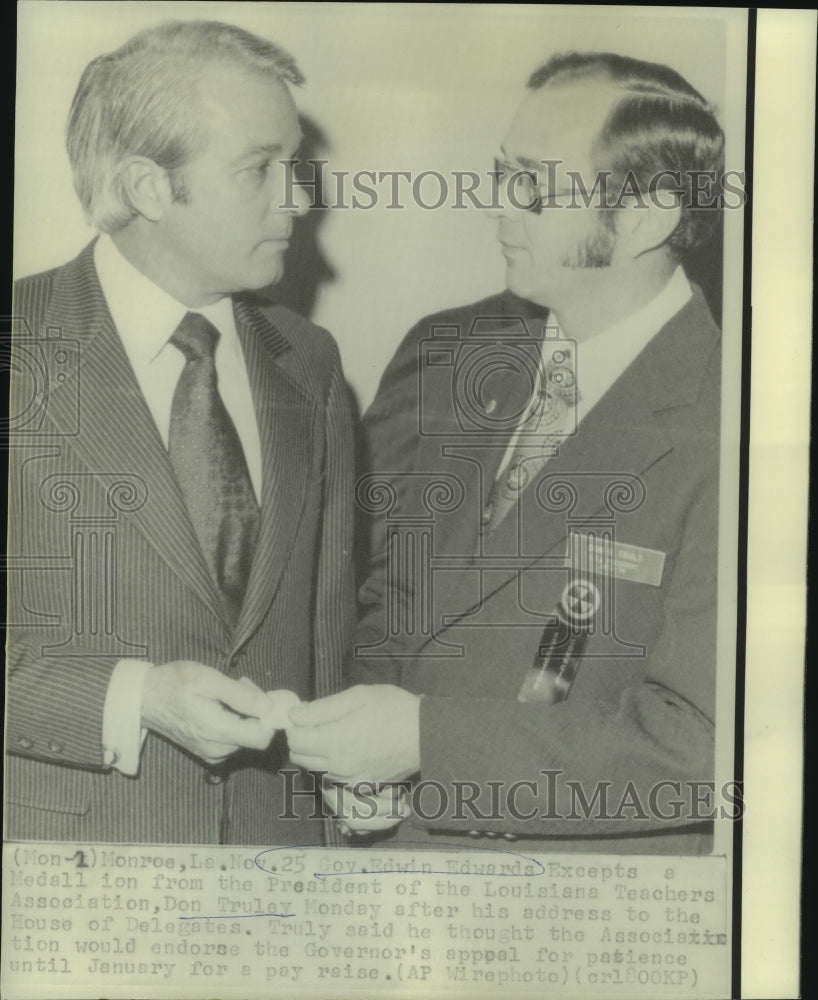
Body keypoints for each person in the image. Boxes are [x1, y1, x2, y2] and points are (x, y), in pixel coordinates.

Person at [288, 52, 728, 854]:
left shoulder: (738, 426)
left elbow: (702, 745)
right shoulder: (449, 355)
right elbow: (390, 600)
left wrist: (427, 743)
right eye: (498, 173)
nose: (496, 205)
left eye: (531, 182)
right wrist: (360, 761)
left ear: (646, 215)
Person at [6, 20, 355, 844]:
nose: (298, 198)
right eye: (259, 169)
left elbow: (329, 633)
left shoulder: (310, 360)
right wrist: (134, 698)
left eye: (295, 164)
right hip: (69, 884)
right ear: (149, 188)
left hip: (281, 884)